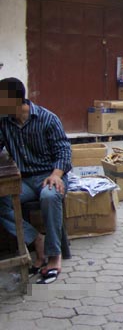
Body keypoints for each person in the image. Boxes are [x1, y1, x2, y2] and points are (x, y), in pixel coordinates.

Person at [0, 77, 72, 284]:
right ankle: (36, 240)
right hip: (24, 180)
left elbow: (64, 151)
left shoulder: (47, 119)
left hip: (49, 175)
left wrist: (56, 175)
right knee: (2, 199)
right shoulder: (4, 122)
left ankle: (54, 256)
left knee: (50, 196)